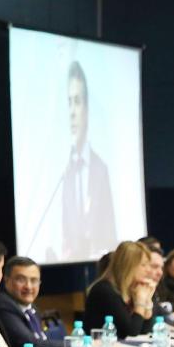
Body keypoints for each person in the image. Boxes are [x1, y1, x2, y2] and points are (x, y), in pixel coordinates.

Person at [61, 60, 116, 261]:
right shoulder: (65, 173)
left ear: (87, 107)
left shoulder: (101, 169)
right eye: (69, 102)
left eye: (78, 101)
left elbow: (110, 234)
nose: (73, 112)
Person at [0, 257, 64, 347]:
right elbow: (31, 345)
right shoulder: (3, 305)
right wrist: (73, 346)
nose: (28, 286)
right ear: (6, 280)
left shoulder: (31, 308)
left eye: (34, 280)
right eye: (21, 280)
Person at [83, 241, 155, 335]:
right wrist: (140, 302)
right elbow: (131, 332)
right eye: (143, 265)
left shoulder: (132, 289)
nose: (149, 270)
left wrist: (147, 301)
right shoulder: (104, 290)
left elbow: (146, 330)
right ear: (128, 265)